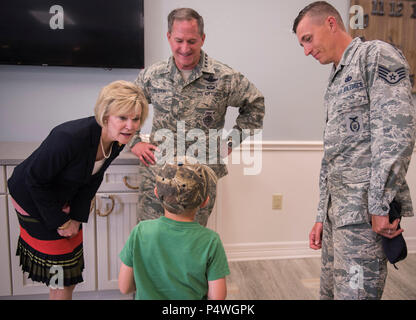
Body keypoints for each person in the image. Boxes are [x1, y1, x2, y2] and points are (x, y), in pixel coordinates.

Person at [293, 1, 415, 299]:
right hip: (340, 216)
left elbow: (396, 133)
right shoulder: (337, 76)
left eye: (308, 39)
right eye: (301, 44)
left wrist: (379, 205)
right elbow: (334, 154)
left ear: (331, 23)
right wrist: (322, 213)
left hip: (364, 218)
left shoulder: (375, 56)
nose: (306, 51)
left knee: (356, 295)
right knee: (332, 295)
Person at [7, 80, 149, 300]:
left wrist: (76, 217)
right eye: (122, 118)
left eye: (136, 119)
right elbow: (34, 180)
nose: (130, 126)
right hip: (33, 199)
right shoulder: (69, 137)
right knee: (61, 277)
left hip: (62, 197)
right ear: (105, 116)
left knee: (68, 274)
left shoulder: (117, 141)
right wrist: (60, 221)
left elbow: (92, 180)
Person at [129, 8, 265, 226]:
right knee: (149, 240)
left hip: (199, 179)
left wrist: (230, 143)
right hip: (158, 176)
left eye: (192, 41)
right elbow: (126, 107)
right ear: (169, 37)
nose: (184, 48)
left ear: (202, 38)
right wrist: (133, 141)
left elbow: (255, 105)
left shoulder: (224, 77)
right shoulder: (152, 75)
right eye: (179, 40)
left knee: (191, 244)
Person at [118, 157, 230, 299]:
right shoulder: (211, 241)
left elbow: (124, 287)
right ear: (205, 201)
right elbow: (217, 297)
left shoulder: (140, 232)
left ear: (157, 193)